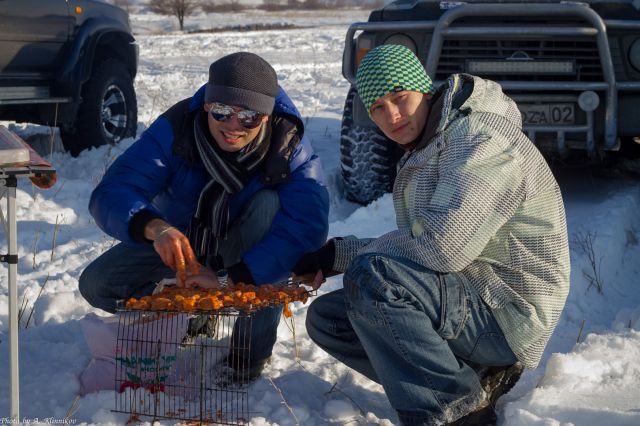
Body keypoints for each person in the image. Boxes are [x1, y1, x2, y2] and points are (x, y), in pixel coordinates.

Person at [293, 44, 570, 425]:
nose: (391, 116)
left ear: (423, 89)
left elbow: (443, 248)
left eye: (399, 98)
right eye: (377, 107)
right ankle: (471, 379)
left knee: (375, 279)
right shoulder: (432, 139)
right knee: (330, 319)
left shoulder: (479, 141)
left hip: (508, 309)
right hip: (472, 290)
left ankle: (456, 411)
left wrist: (352, 260)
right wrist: (336, 255)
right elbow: (422, 240)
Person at [79, 52, 330, 382]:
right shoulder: (177, 127)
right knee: (97, 284)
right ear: (208, 105)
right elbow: (113, 190)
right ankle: (189, 311)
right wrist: (155, 227)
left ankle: (248, 355)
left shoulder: (290, 147)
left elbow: (305, 229)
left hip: (248, 249)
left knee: (271, 207)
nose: (232, 126)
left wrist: (230, 279)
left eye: (248, 118)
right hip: (182, 242)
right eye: (222, 111)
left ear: (266, 117)